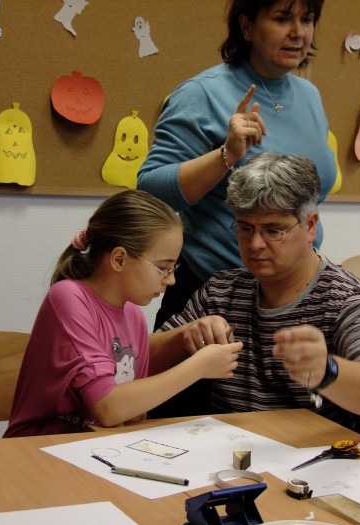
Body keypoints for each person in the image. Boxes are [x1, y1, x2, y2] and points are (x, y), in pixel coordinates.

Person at [137, 0, 335, 416]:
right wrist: (225, 154)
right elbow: (150, 189)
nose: (298, 32)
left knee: (285, 436)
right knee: (186, 435)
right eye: (282, 18)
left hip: (292, 298)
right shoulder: (202, 93)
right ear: (246, 26)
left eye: (307, 19)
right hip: (212, 302)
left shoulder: (310, 95)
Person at [150, 153, 360, 441]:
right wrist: (184, 336)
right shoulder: (221, 291)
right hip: (237, 454)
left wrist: (327, 369)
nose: (255, 244)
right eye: (245, 228)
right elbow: (135, 363)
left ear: (310, 226)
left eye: (273, 230)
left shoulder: (348, 299)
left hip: (327, 458)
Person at [4, 190, 242, 437]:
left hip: (96, 444)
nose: (171, 280)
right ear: (119, 259)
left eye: (174, 268)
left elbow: (130, 411)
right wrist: (199, 367)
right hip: (38, 446)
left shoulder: (133, 314)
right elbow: (110, 408)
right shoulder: (67, 297)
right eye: (163, 267)